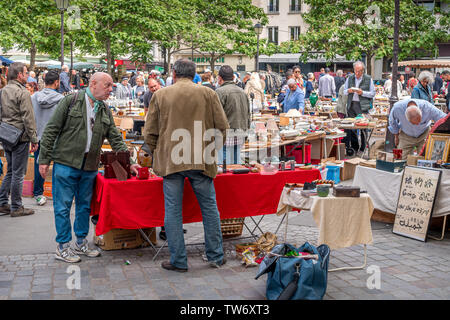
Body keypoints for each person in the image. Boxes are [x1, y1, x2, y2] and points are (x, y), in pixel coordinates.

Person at [39, 72, 141, 263]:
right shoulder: (71, 101)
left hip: (90, 164)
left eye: (112, 86)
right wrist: (44, 160)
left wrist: (129, 162)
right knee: (63, 207)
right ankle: (62, 246)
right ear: (93, 84)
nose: (111, 89)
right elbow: (51, 129)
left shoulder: (103, 109)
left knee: (85, 207)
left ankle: (80, 243)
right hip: (66, 163)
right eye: (108, 85)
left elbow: (115, 137)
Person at [143, 59, 229, 272]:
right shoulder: (209, 94)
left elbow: (150, 132)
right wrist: (211, 150)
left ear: (173, 73)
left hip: (171, 160)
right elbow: (222, 127)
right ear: (194, 74)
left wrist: (155, 153)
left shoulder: (161, 95)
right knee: (209, 208)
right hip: (201, 159)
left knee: (173, 210)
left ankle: (178, 260)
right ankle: (216, 255)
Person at [0, 62, 39, 217]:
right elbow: (28, 119)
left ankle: (3, 202)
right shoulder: (22, 92)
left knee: (10, 170)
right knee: (18, 173)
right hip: (19, 137)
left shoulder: (3, 91)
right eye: (25, 72)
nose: (27, 75)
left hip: (6, 135)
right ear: (19, 75)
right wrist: (34, 139)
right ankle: (17, 206)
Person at [31, 70, 64, 206]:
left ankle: (38, 193)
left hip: (38, 136)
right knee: (57, 166)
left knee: (39, 164)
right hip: (56, 137)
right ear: (57, 82)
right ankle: (57, 194)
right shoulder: (62, 99)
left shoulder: (33, 97)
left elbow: (30, 118)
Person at [215, 65, 250, 165]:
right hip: (240, 131)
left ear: (220, 78)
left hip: (226, 133)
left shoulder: (219, 92)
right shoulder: (242, 92)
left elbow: (216, 115)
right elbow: (248, 114)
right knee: (237, 164)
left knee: (225, 166)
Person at [343, 61, 376, 155]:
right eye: (356, 71)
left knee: (363, 127)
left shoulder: (368, 79)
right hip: (351, 104)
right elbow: (344, 91)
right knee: (352, 127)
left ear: (363, 70)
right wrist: (349, 91)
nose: (357, 73)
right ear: (354, 70)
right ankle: (354, 147)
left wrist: (362, 93)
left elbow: (372, 93)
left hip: (363, 105)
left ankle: (363, 147)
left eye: (359, 71)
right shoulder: (350, 78)